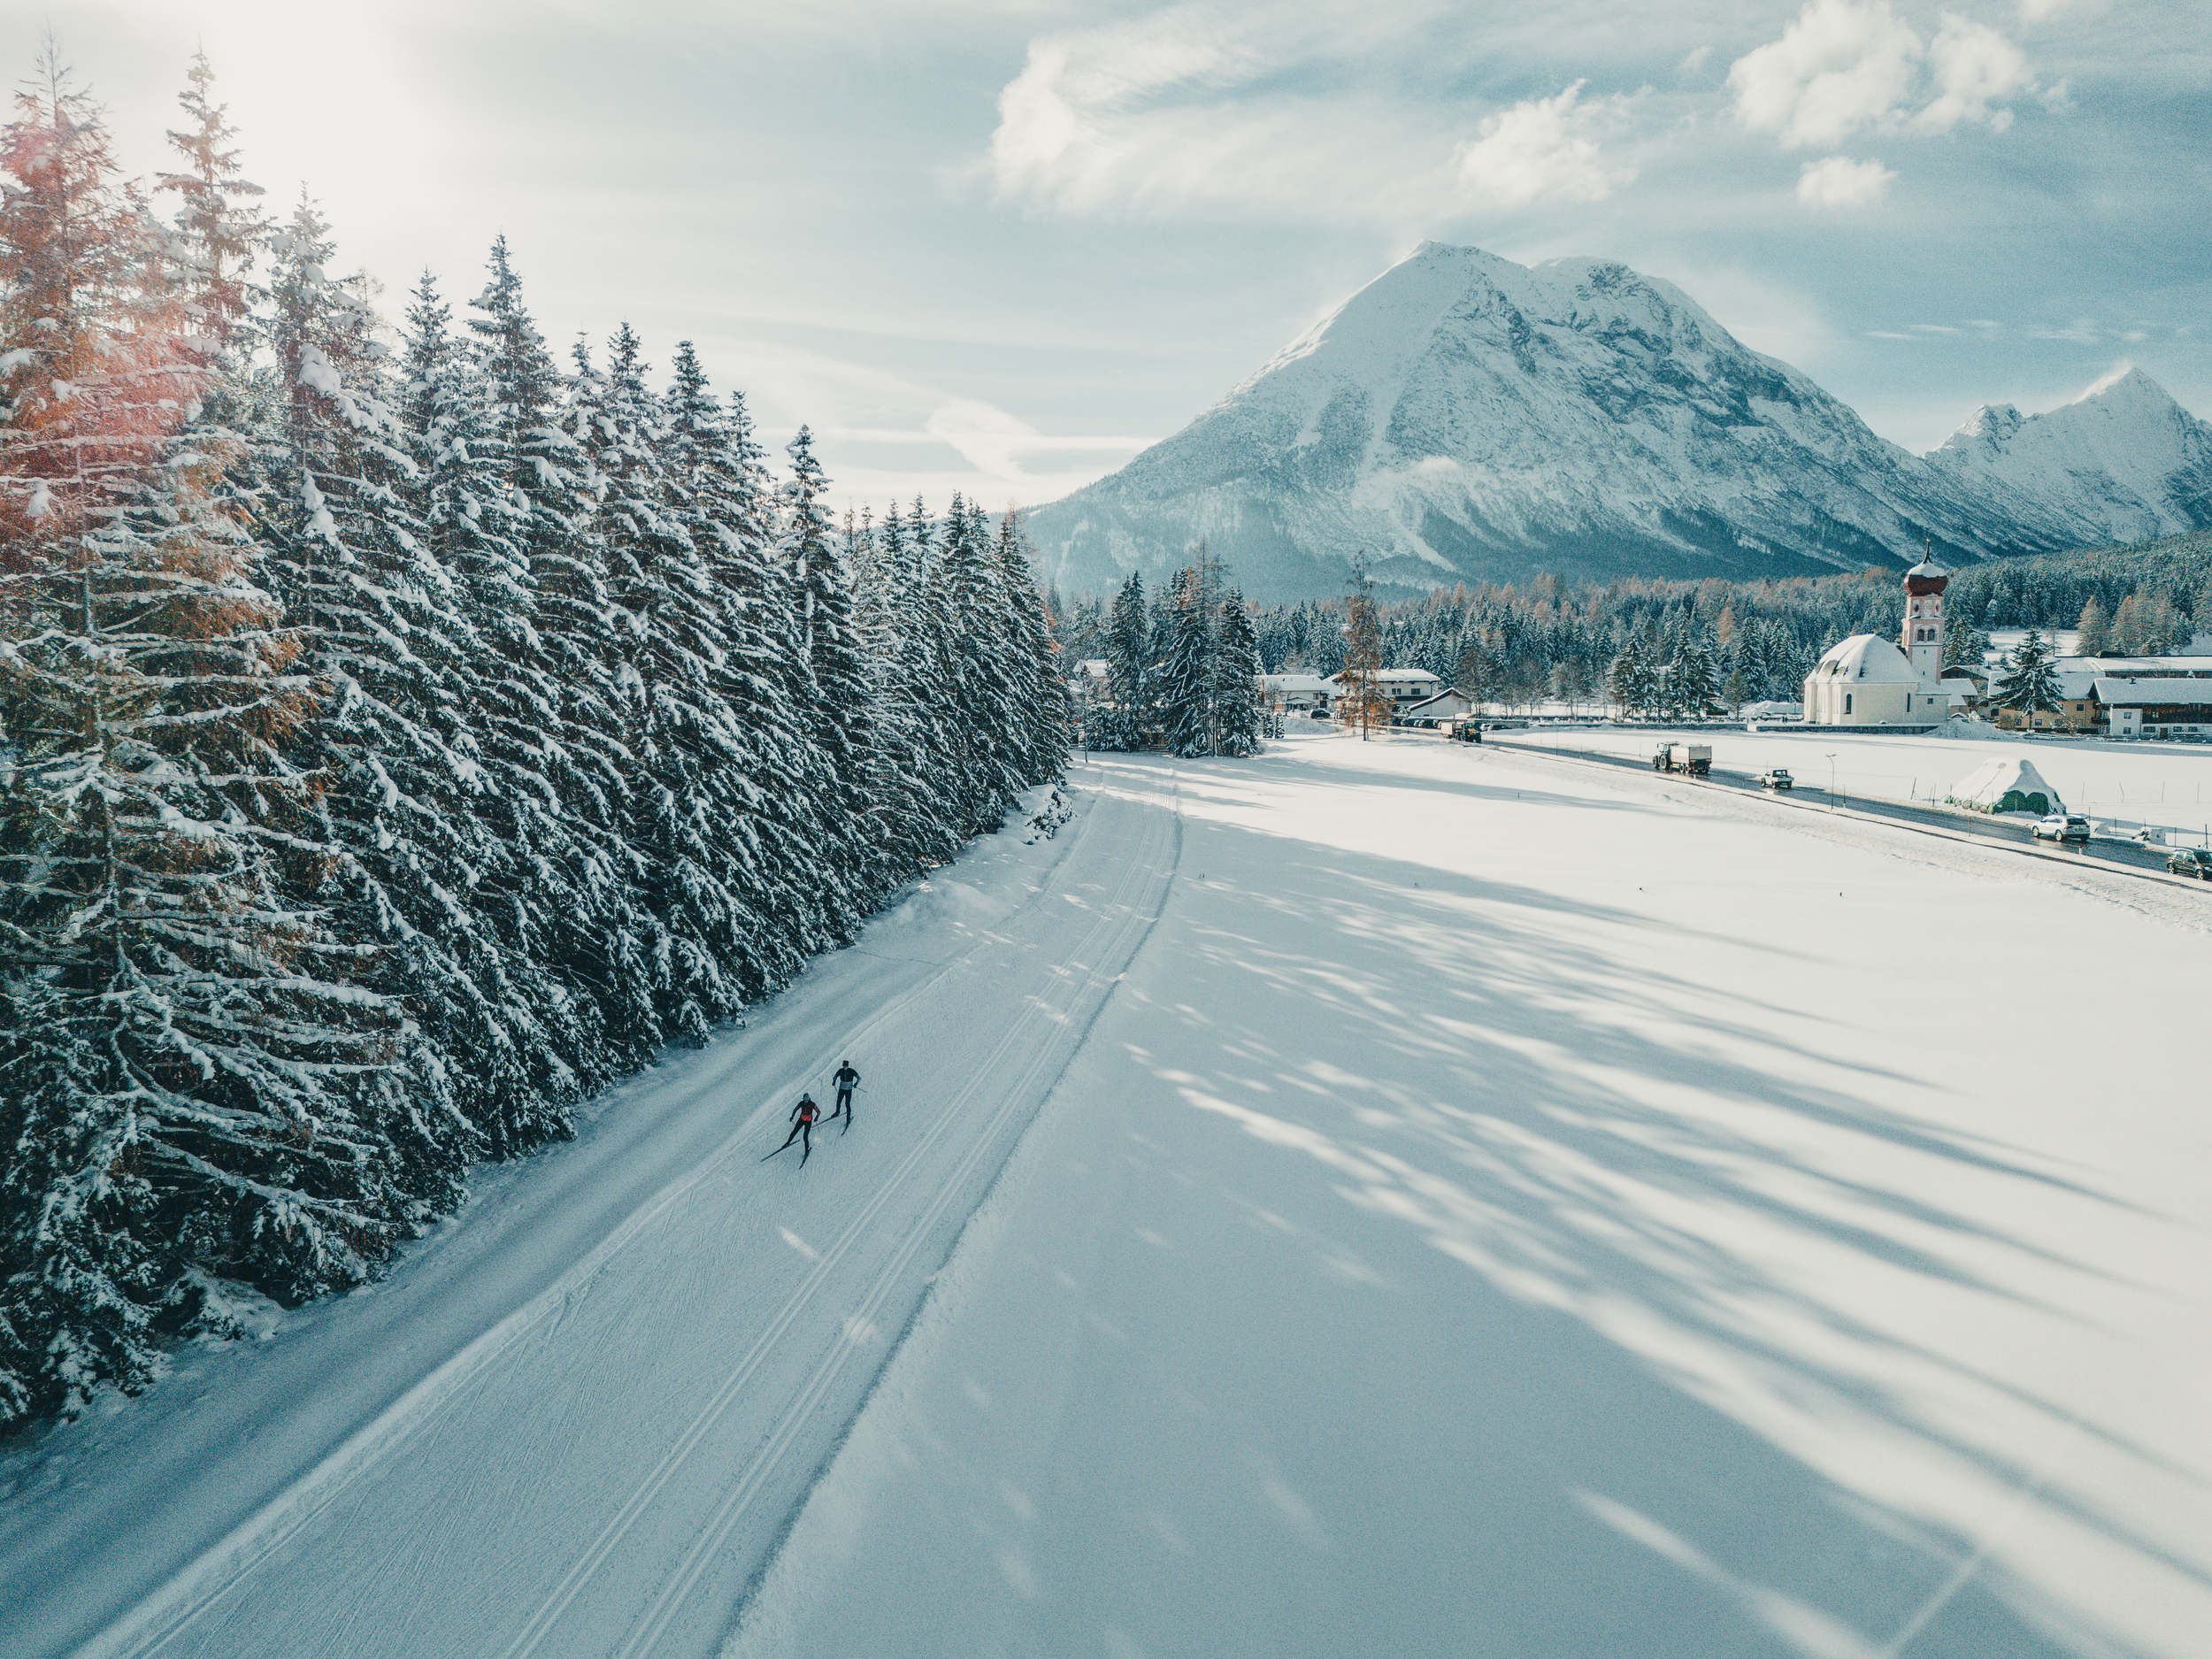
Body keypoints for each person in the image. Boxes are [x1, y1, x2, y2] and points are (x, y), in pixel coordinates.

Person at [767, 1094, 822, 1165]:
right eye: (804, 1099)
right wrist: (792, 1117)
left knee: (805, 1136)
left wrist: (816, 1118)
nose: (805, 1101)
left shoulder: (812, 1104)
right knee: (794, 1132)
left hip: (808, 1121)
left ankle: (807, 1150)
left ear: (808, 1099)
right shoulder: (801, 1103)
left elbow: (818, 1112)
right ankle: (787, 1143)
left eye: (806, 1100)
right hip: (801, 1120)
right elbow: (795, 1110)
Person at [830, 1061, 861, 1132]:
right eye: (844, 1066)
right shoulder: (840, 1071)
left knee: (847, 1104)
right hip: (841, 1089)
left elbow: (859, 1078)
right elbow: (835, 1076)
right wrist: (834, 1081)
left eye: (846, 1066)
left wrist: (856, 1084)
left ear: (848, 1066)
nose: (845, 1068)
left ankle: (848, 1118)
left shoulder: (851, 1071)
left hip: (848, 1090)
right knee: (838, 1102)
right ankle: (837, 1112)